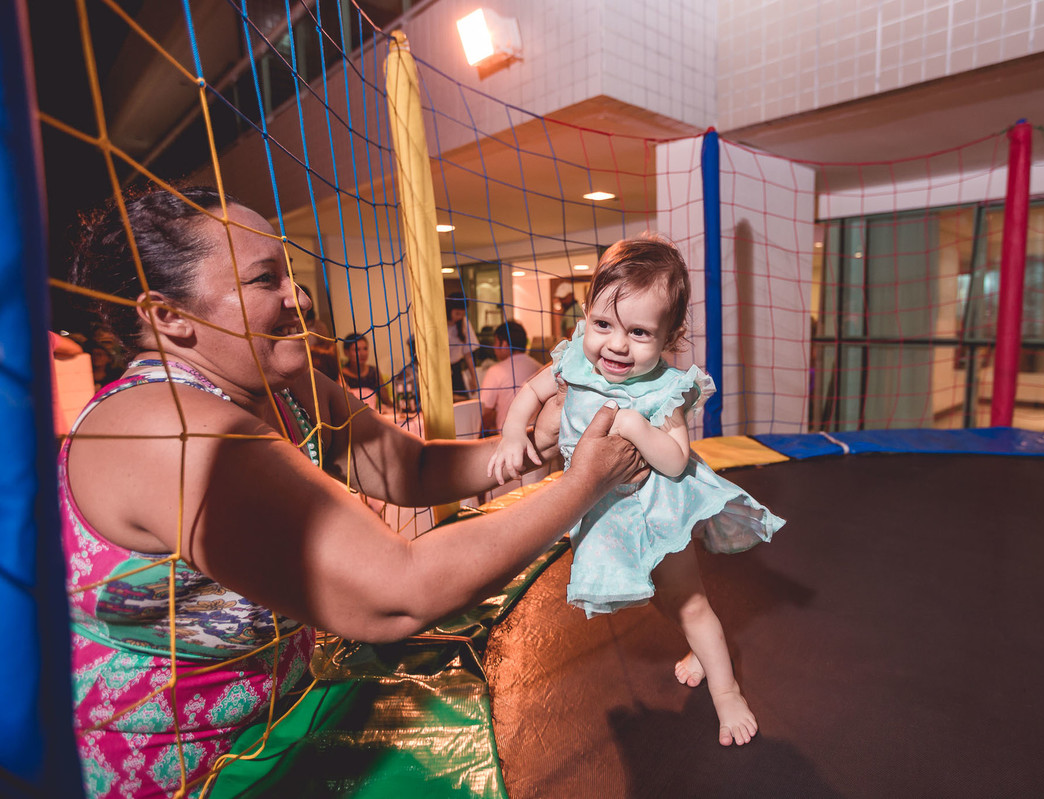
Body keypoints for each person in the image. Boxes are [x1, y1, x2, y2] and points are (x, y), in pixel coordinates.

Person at [60, 185, 644, 798]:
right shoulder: (168, 428)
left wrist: (542, 444)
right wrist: (583, 484)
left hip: (286, 714)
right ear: (168, 315)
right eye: (265, 281)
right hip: (184, 775)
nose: (301, 298)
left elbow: (408, 470)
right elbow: (398, 595)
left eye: (290, 272)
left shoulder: (282, 385)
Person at [488, 235, 785, 747]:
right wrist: (515, 433)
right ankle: (696, 650)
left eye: (640, 332)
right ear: (586, 318)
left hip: (656, 511)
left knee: (689, 601)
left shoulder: (662, 388)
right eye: (603, 325)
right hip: (606, 511)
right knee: (656, 597)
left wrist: (634, 425)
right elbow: (531, 393)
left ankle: (727, 692)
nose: (617, 345)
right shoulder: (574, 362)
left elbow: (673, 459)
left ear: (670, 336)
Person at [478, 321, 543, 436]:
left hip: (509, 439)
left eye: (495, 342)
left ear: (504, 344)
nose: (494, 347)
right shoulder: (539, 368)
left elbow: (485, 414)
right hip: (538, 435)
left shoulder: (495, 371)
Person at [340, 331, 393, 410]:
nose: (362, 353)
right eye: (357, 350)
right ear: (346, 352)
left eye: (365, 349)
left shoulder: (374, 372)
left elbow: (386, 400)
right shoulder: (341, 375)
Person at [445, 292, 479, 399]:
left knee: (461, 401)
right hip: (440, 371)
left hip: (456, 370)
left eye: (462, 315)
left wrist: (474, 378)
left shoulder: (464, 324)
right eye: (457, 314)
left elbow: (468, 354)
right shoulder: (438, 323)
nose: (459, 317)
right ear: (449, 310)